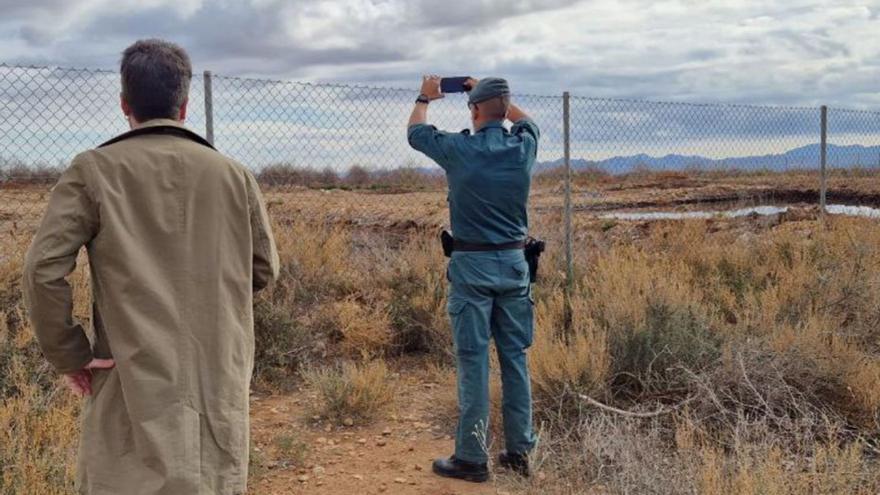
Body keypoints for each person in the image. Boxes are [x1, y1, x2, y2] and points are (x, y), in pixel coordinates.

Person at [22, 39, 279, 495]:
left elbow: (43, 270)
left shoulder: (92, 170)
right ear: (184, 105)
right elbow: (263, 270)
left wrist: (71, 354)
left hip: (128, 364)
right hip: (216, 363)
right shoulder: (234, 174)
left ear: (125, 103)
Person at [407, 76, 539, 482]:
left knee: (473, 361)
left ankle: (471, 457)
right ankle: (519, 453)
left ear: (475, 111)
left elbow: (415, 132)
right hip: (515, 267)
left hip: (472, 269)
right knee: (515, 359)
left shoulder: (459, 149)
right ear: (504, 109)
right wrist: (484, 89)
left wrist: (425, 95)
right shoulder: (523, 147)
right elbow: (528, 121)